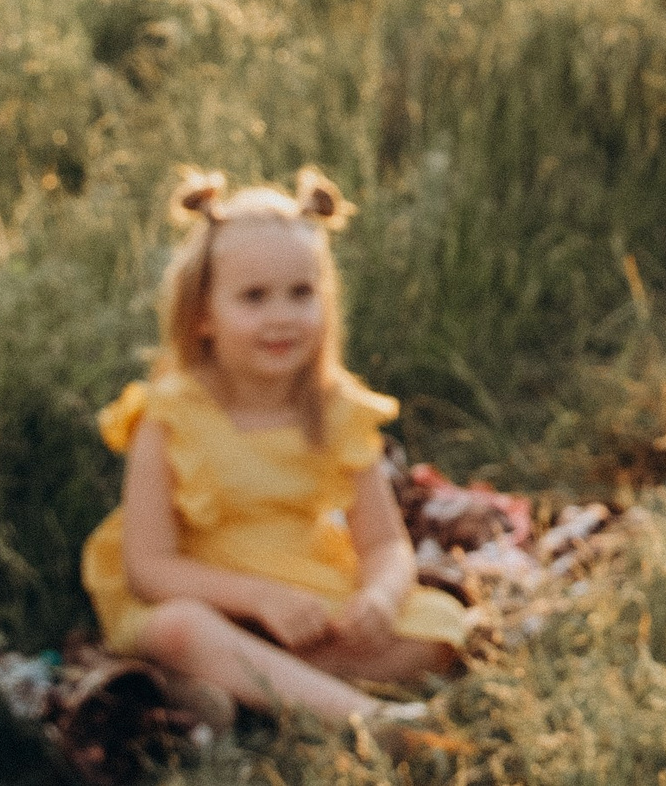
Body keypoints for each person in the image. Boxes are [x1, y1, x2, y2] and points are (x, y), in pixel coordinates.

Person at [80, 169, 469, 731]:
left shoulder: (337, 409)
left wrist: (381, 597)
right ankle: (372, 721)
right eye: (254, 297)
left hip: (305, 590)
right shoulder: (168, 416)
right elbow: (148, 569)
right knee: (180, 631)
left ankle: (248, 688)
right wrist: (258, 598)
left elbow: (385, 542)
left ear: (326, 301)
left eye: (301, 293)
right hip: (203, 593)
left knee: (438, 631)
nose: (282, 316)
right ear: (203, 315)